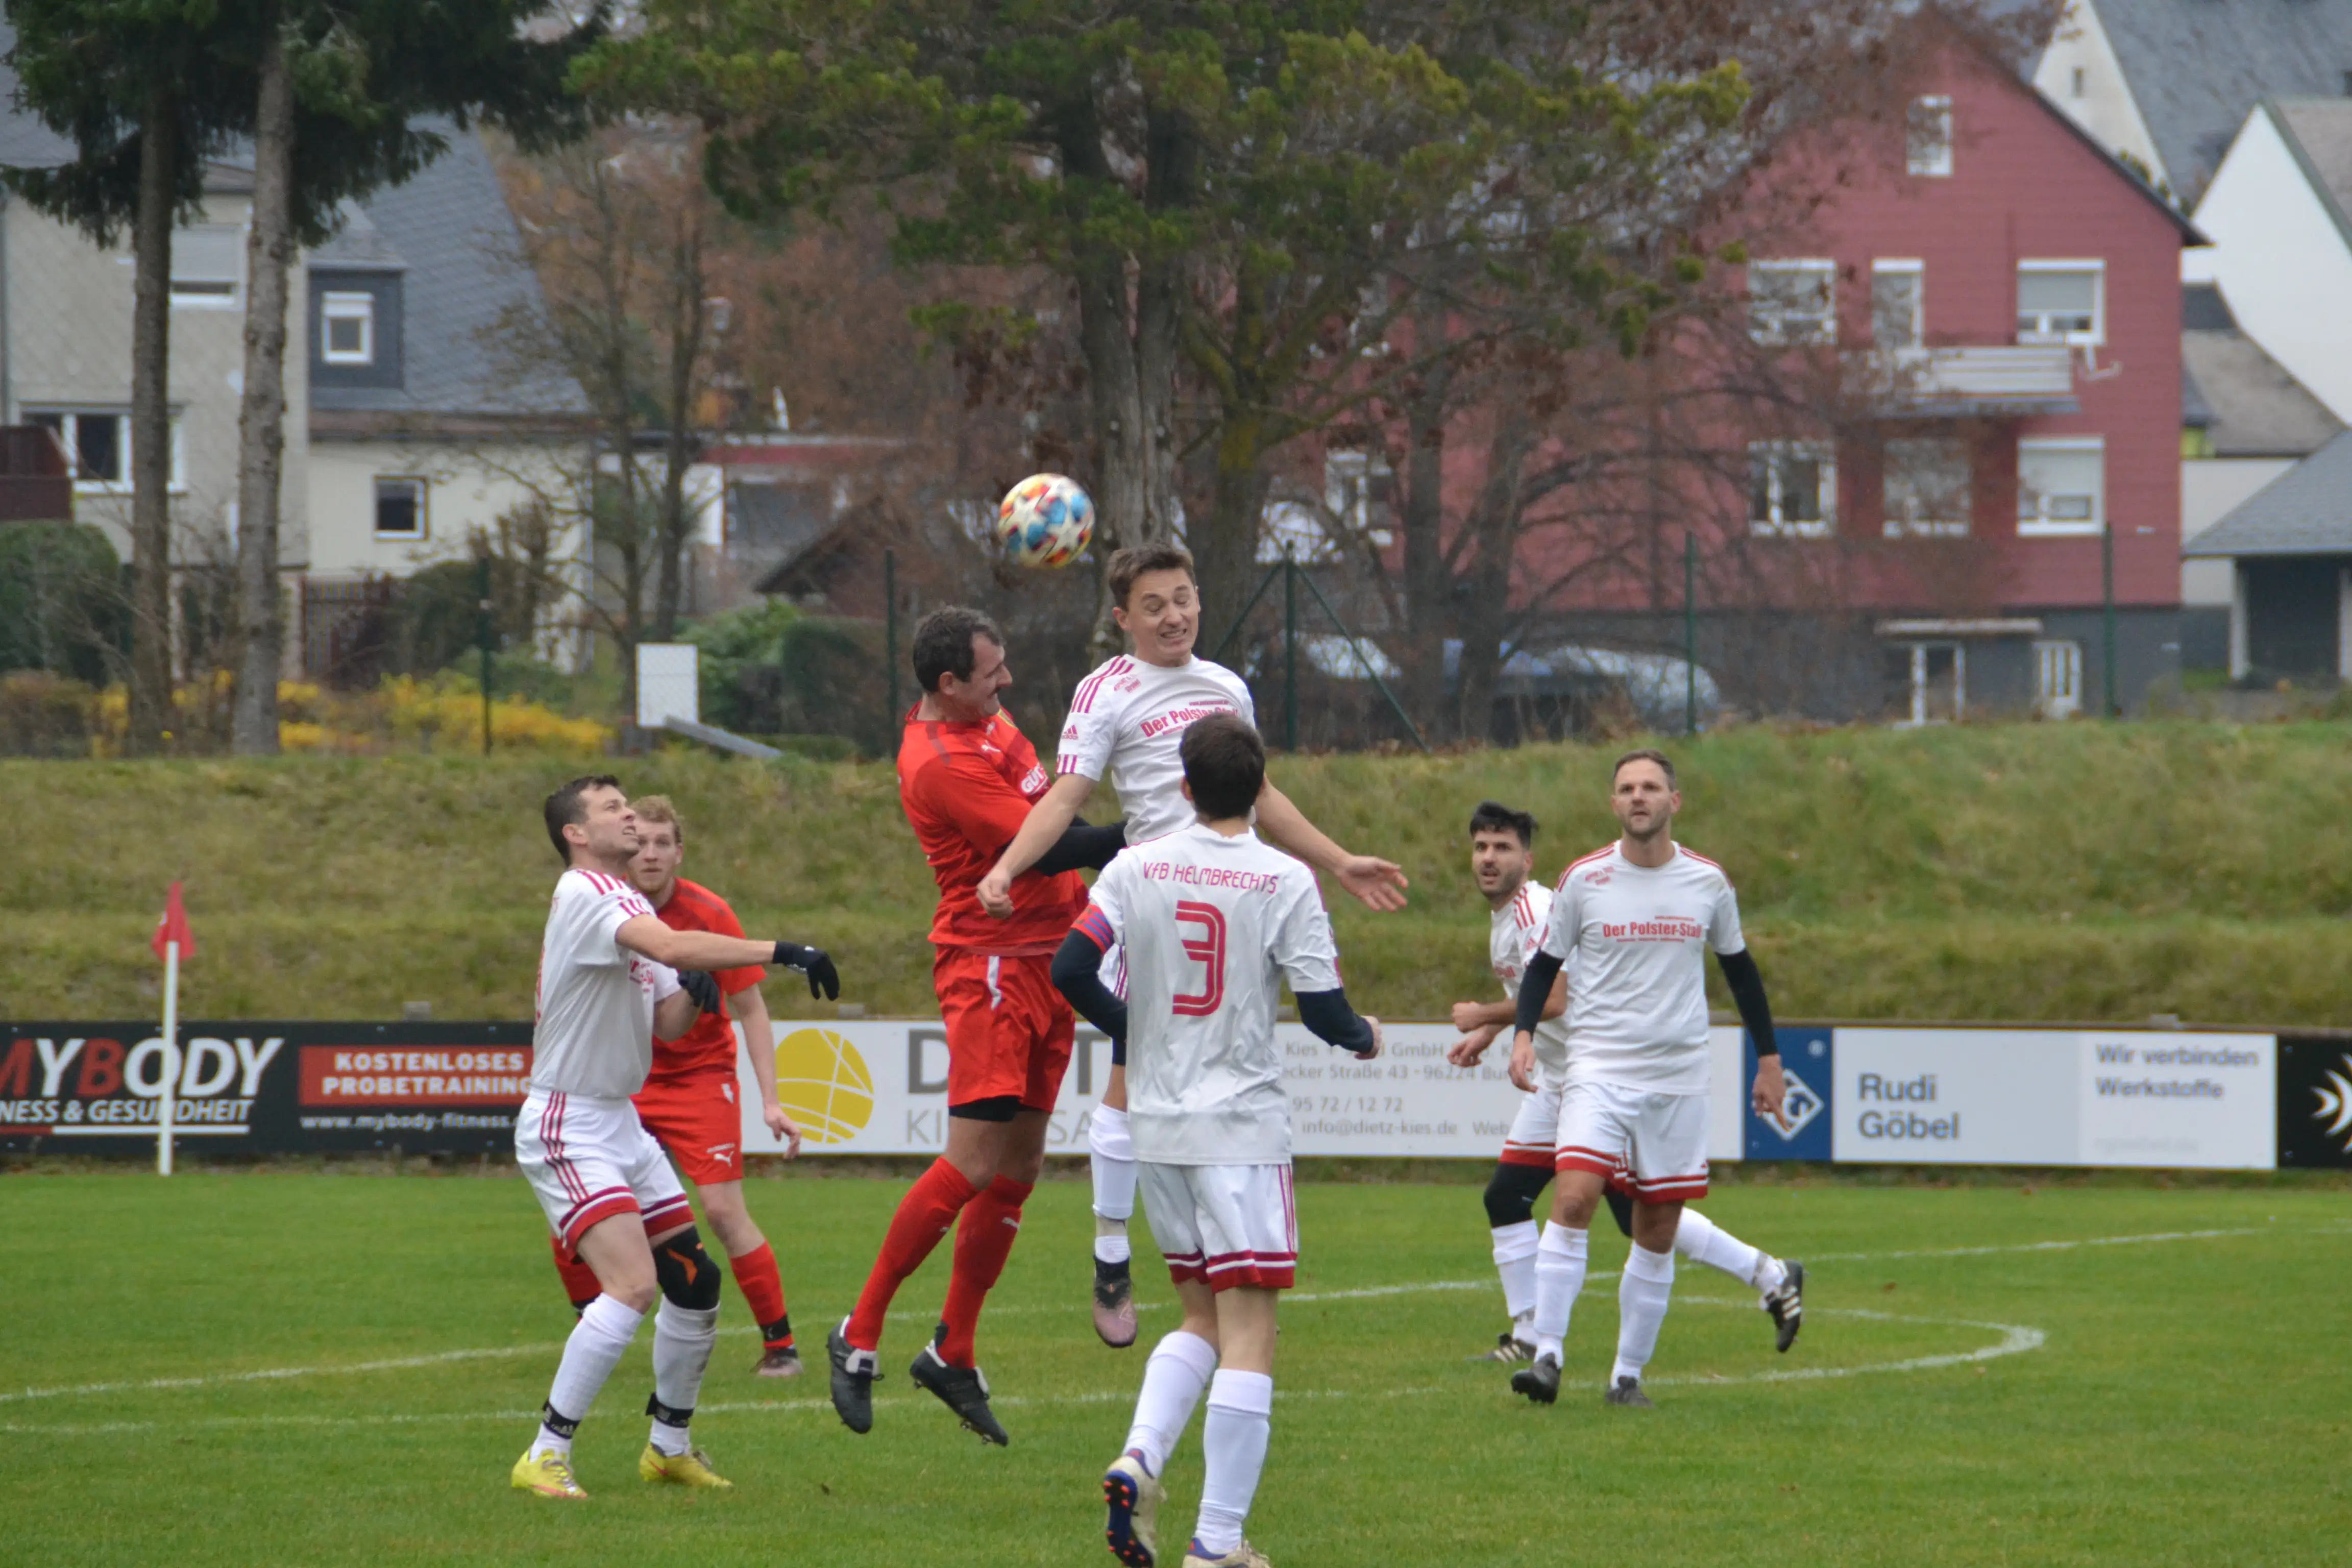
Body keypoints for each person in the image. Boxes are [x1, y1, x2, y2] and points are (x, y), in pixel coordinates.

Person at [974, 542, 1407, 1346]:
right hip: (1157, 898)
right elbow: (1069, 794)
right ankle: (1111, 1252)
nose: (1173, 616)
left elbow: (1262, 792)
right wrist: (1007, 867)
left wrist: (1339, 861)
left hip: (1239, 895)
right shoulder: (1106, 691)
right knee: (1130, 1076)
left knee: (1190, 1079)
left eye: (1184, 598)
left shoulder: (1225, 687)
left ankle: (1196, 1246)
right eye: (1154, 605)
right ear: (1122, 618)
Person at [1055, 712, 1383, 1568]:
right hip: (1238, 1130)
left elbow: (1069, 969)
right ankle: (1218, 1541)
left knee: (1200, 1312)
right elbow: (1321, 1010)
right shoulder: (1285, 879)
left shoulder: (1134, 864)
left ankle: (1140, 1455)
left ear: (1185, 787)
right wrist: (1364, 1036)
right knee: (1251, 1331)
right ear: (1259, 783)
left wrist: (1139, 1032)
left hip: (1156, 1130)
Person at [827, 606, 1128, 1446]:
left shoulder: (986, 722)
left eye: (1003, 667)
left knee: (1021, 1165)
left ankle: (952, 1347)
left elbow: (1052, 799)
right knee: (969, 1163)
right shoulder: (935, 763)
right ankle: (858, 1331)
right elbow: (1052, 843)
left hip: (1049, 962)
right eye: (990, 674)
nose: (1006, 684)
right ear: (946, 683)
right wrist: (1149, 833)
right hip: (989, 966)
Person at [511, 775, 840, 1501]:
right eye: (611, 809)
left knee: (694, 1280)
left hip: (617, 1120)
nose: (629, 816)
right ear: (575, 833)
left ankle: (669, 1447)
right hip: (569, 1119)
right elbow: (669, 942)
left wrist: (696, 996)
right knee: (632, 1286)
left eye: (630, 806)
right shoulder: (585, 894)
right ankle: (544, 1452)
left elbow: (667, 1024)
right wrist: (786, 949)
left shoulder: (623, 898)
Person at [1445, 800, 1802, 1365]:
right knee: (1508, 1196)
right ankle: (1531, 1334)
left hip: (1599, 1076)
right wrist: (1494, 1033)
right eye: (1481, 848)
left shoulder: (1536, 908)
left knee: (1637, 1217)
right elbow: (1538, 996)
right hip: (1564, 1080)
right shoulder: (1506, 916)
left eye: (1502, 848)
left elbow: (1557, 997)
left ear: (1527, 858)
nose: (1489, 859)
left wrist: (1483, 1017)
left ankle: (1768, 1274)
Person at [543, 796, 811, 1377]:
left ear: (680, 852)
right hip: (622, 1082)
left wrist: (770, 1099)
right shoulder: (601, 904)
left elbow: (752, 1008)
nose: (653, 853)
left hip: (698, 1076)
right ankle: (593, 1327)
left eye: (666, 843)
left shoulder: (709, 911)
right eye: (644, 842)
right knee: (574, 1219)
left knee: (720, 1210)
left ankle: (779, 1343)